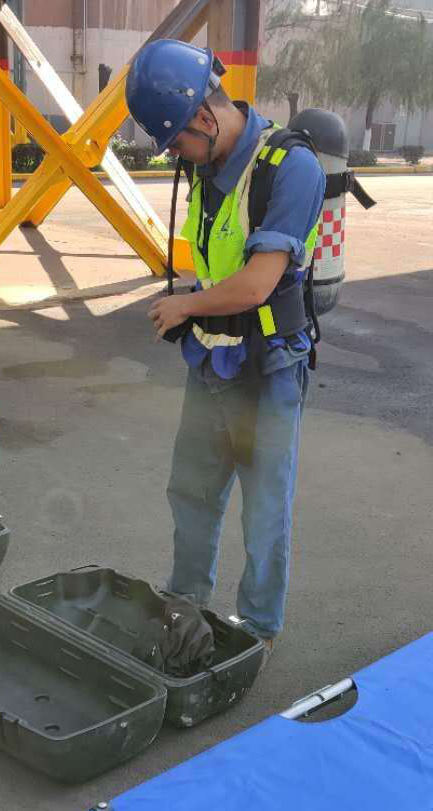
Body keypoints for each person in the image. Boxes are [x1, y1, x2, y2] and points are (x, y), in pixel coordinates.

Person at [125, 40, 325, 654]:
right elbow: (217, 261)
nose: (174, 155)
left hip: (268, 369)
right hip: (211, 361)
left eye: (175, 142)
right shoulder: (207, 166)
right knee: (190, 490)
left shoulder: (291, 168)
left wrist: (185, 306)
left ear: (204, 118)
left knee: (263, 510)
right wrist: (195, 306)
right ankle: (184, 602)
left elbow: (259, 282)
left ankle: (256, 629)